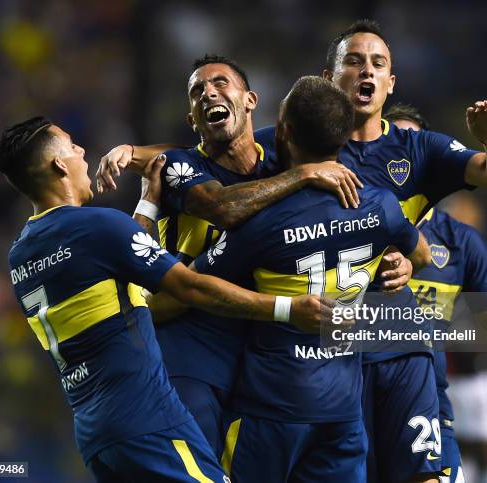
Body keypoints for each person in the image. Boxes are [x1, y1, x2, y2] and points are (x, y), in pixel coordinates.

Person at [0, 116, 329, 482]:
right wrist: (288, 309)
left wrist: (148, 202)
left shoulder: (21, 254)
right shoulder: (96, 226)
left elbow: (121, 271)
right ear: (59, 164)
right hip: (147, 416)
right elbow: (188, 287)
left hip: (97, 434)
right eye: (73, 146)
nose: (82, 151)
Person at [96, 54, 387, 457]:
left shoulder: (278, 151)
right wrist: (302, 174)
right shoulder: (185, 166)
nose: (208, 93)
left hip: (257, 354)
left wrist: (397, 255)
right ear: (193, 122)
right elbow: (223, 209)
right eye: (197, 91)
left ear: (250, 100)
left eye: (219, 83)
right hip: (190, 345)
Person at [188, 76, 431, 482]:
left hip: (271, 410)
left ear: (283, 133)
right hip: (340, 413)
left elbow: (193, 287)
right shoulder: (382, 206)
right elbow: (420, 254)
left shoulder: (261, 222)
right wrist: (398, 263)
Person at [386, 103, 487, 483]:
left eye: (408, 143)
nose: (396, 152)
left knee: (482, 453)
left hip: (433, 390)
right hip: (352, 391)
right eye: (387, 141)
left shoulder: (461, 241)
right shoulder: (346, 225)